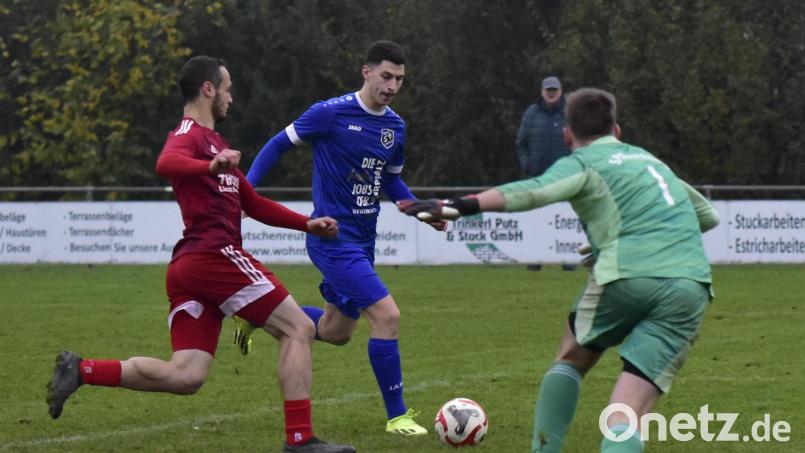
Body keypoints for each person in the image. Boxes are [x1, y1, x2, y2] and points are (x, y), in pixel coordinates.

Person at [45, 55, 355, 453]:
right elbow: (165, 163)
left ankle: (82, 369)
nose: (231, 97)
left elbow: (253, 203)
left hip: (191, 267)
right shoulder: (189, 134)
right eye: (227, 88)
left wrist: (306, 224)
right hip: (215, 255)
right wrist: (209, 165)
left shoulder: (217, 144)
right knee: (299, 329)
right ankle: (300, 440)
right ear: (208, 89)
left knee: (186, 375)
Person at [399, 88, 719, 453]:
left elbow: (533, 191)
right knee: (624, 414)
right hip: (691, 286)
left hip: (627, 274)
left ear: (567, 134)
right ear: (617, 130)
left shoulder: (582, 162)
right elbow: (707, 215)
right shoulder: (649, 161)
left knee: (571, 356)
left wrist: (455, 206)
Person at [242, 40, 441, 436]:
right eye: (386, 76)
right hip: (331, 238)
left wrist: (419, 211)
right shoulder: (329, 114)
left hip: (364, 241)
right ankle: (398, 415)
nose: (392, 85)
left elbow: (391, 178)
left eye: (400, 79)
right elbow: (279, 144)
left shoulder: (394, 127)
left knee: (336, 332)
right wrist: (244, 191)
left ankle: (257, 313)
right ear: (366, 72)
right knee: (387, 316)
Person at [516, 76, 575, 271]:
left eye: (554, 90)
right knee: (536, 218)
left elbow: (578, 142)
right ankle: (535, 259)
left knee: (565, 217)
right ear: (542, 91)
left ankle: (568, 260)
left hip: (564, 176)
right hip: (537, 177)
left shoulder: (570, 114)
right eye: (548, 90)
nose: (551, 93)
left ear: (561, 91)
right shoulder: (531, 114)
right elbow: (521, 143)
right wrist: (527, 164)